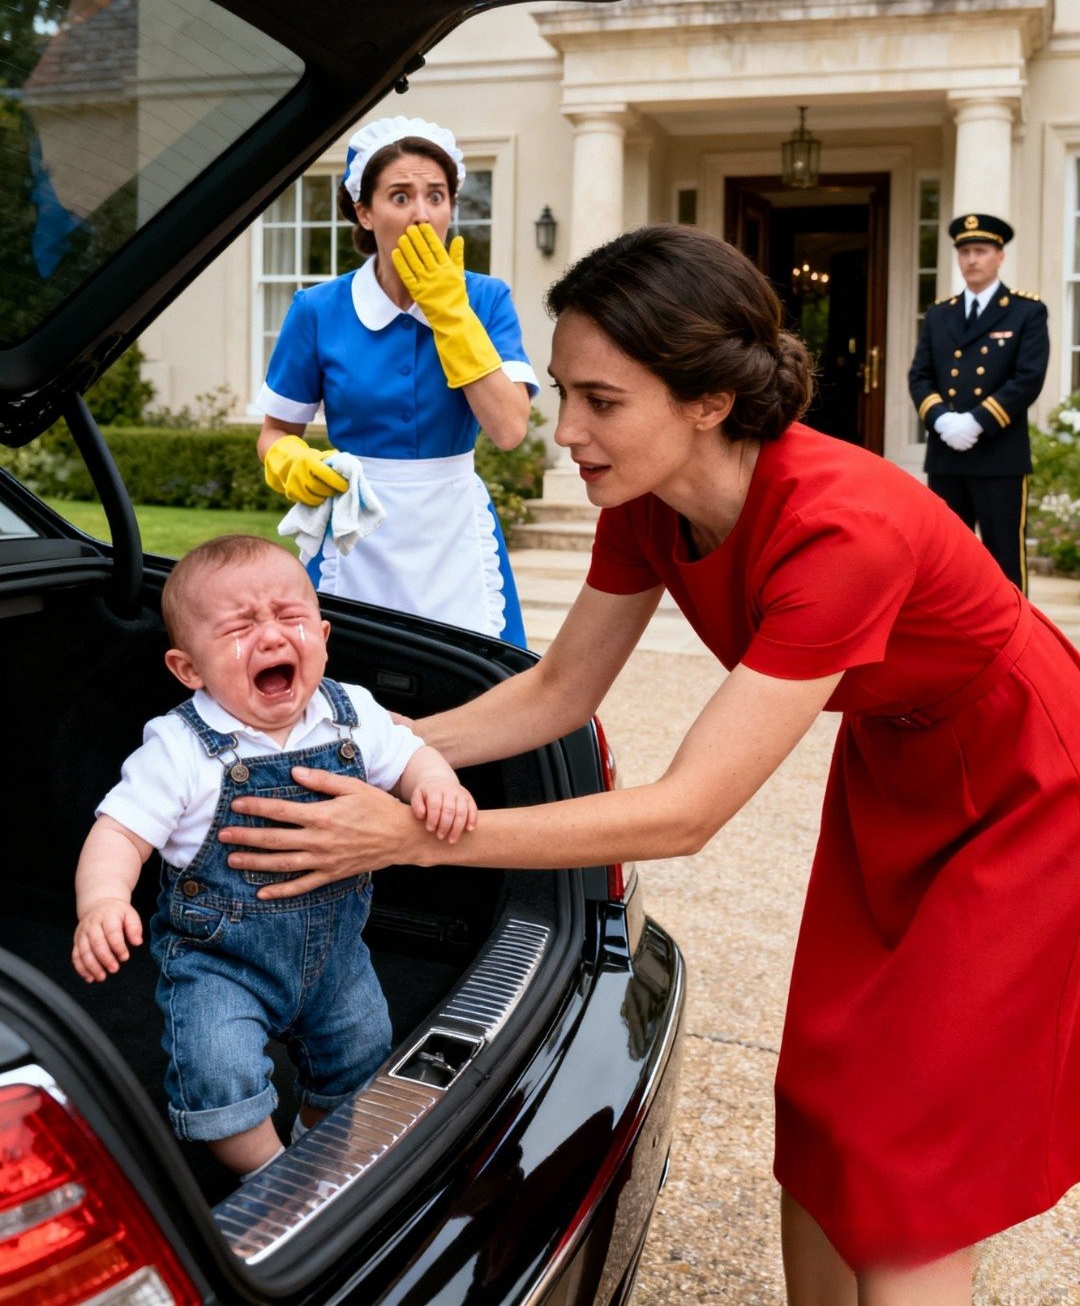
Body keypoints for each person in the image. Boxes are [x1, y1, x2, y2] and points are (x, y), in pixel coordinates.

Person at [218, 226, 1080, 1303]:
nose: (565, 430)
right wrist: (353, 747)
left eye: (602, 401)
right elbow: (556, 692)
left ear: (708, 402)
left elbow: (685, 813)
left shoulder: (842, 529)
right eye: (566, 392)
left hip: (1032, 782)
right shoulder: (648, 500)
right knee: (822, 1095)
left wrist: (418, 839)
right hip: (897, 762)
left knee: (914, 1154)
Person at [71, 534, 476, 1180]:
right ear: (189, 669)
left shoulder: (352, 715)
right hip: (220, 963)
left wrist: (436, 784)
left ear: (322, 633)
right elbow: (119, 831)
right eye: (238, 626)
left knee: (362, 1053)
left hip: (336, 959)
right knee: (218, 1071)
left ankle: (318, 1148)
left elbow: (410, 755)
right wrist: (103, 901)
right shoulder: (181, 749)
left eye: (289, 618)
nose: (270, 636)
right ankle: (273, 1178)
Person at [254, 114, 538, 646]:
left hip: (454, 527)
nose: (421, 215)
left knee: (473, 683)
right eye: (401, 197)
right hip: (353, 531)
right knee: (348, 679)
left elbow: (509, 429)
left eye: (436, 196)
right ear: (363, 211)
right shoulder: (317, 310)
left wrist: (451, 313)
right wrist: (287, 460)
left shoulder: (486, 300)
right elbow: (275, 432)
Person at [908, 211, 1050, 591]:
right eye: (965, 251)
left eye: (981, 250)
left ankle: (1016, 643)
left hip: (998, 455)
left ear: (999, 256)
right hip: (947, 455)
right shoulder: (940, 315)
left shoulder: (1026, 311)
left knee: (1004, 558)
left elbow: (1028, 378)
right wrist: (942, 420)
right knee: (944, 557)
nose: (972, 259)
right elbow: (919, 376)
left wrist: (975, 422)